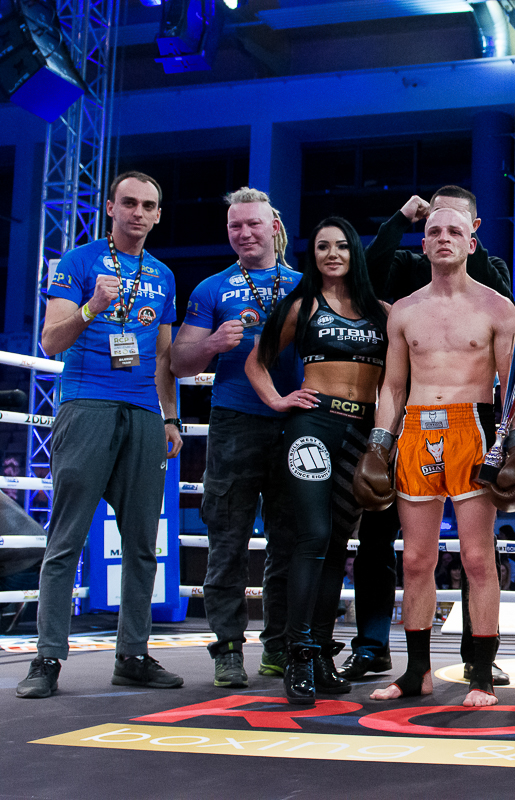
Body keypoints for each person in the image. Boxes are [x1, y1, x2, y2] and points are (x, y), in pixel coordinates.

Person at [17, 171, 185, 699]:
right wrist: (92, 306)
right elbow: (50, 341)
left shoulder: (163, 274)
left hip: (144, 414)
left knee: (142, 543)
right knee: (65, 540)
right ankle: (47, 658)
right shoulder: (77, 261)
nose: (138, 212)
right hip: (86, 404)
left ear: (158, 215)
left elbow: (163, 355)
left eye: (148, 205)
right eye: (129, 202)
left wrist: (171, 417)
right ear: (111, 207)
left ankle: (132, 655)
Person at [340, 185, 515, 685]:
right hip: (415, 430)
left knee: (478, 557)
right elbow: (394, 386)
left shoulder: (498, 308)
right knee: (417, 559)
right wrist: (379, 444)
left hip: (473, 427)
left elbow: (513, 387)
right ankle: (416, 671)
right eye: (434, 231)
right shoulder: (404, 310)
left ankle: (481, 675)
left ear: (471, 242)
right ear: (423, 243)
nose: (443, 238)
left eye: (453, 231)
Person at [246, 217, 389, 704]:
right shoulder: (302, 305)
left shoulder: (380, 311)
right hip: (313, 427)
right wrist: (279, 399)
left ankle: (321, 653)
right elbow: (256, 362)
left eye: (342, 246)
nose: (332, 254)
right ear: (313, 255)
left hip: (362, 433)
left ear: (355, 254)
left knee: (336, 542)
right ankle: (298, 655)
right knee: (311, 536)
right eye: (323, 246)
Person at [171, 187, 302, 687]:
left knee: (288, 539)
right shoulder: (211, 289)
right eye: (234, 226)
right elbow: (179, 363)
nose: (244, 233)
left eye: (252, 224)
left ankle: (279, 646)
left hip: (295, 420)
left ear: (274, 227)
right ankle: (227, 649)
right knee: (226, 538)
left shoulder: (304, 284)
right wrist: (211, 344)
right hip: (234, 421)